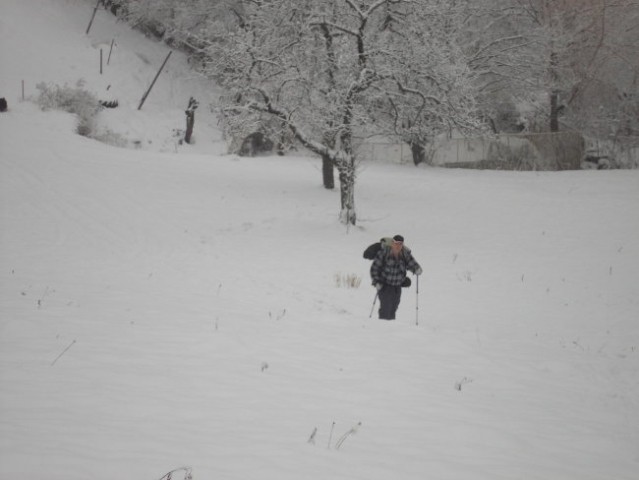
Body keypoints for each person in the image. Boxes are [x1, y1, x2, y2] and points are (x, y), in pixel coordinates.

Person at [370, 234, 422, 320]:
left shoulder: (405, 254)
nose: (398, 246)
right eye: (396, 243)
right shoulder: (384, 253)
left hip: (397, 287)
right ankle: (382, 327)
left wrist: (417, 269)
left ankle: (390, 328)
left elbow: (412, 263)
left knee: (393, 308)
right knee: (386, 308)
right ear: (392, 243)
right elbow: (375, 268)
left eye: (400, 244)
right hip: (385, 286)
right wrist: (376, 282)